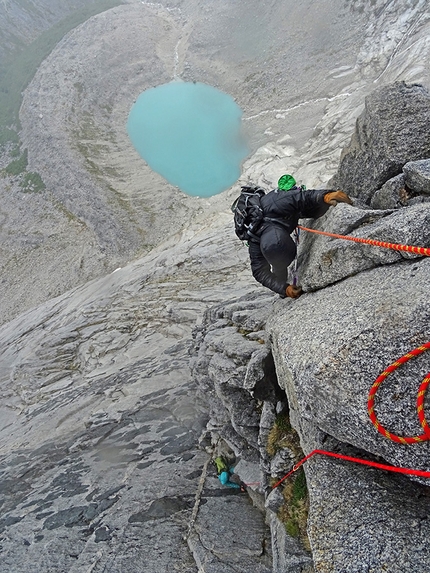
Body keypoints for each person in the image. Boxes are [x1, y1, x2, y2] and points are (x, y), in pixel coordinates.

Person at [248, 174, 353, 298]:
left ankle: (283, 286)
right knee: (279, 264)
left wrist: (325, 196)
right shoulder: (254, 239)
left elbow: (302, 197)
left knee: (307, 210)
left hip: (282, 215)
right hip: (279, 224)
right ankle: (284, 291)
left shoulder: (281, 201)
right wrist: (284, 289)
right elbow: (259, 271)